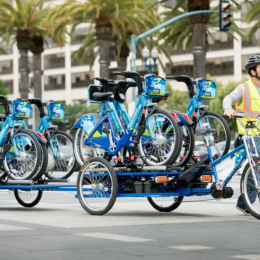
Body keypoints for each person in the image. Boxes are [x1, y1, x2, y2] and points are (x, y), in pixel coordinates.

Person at [223, 55, 260, 215]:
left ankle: (245, 203)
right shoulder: (245, 88)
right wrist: (228, 108)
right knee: (255, 170)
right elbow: (228, 98)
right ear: (253, 71)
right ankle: (245, 203)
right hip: (248, 137)